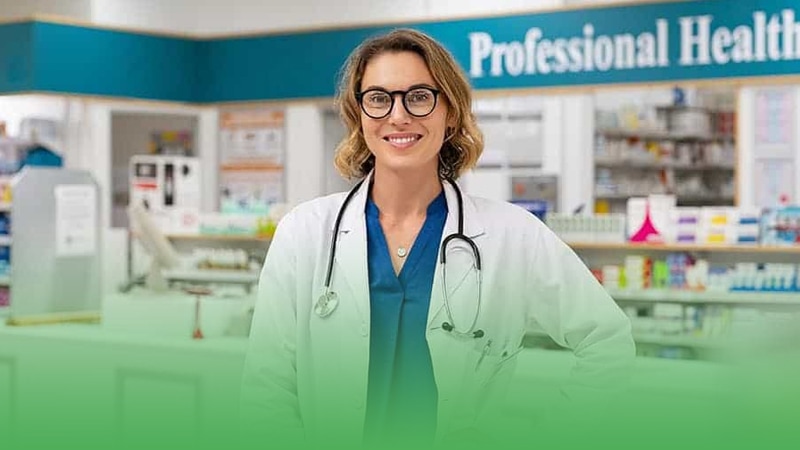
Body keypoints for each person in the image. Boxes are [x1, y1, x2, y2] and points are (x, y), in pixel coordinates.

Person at [239, 28, 635, 449]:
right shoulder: (305, 232)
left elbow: (606, 341)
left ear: (451, 111)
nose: (398, 116)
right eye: (378, 98)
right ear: (359, 115)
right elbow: (268, 387)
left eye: (420, 96)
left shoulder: (511, 235)